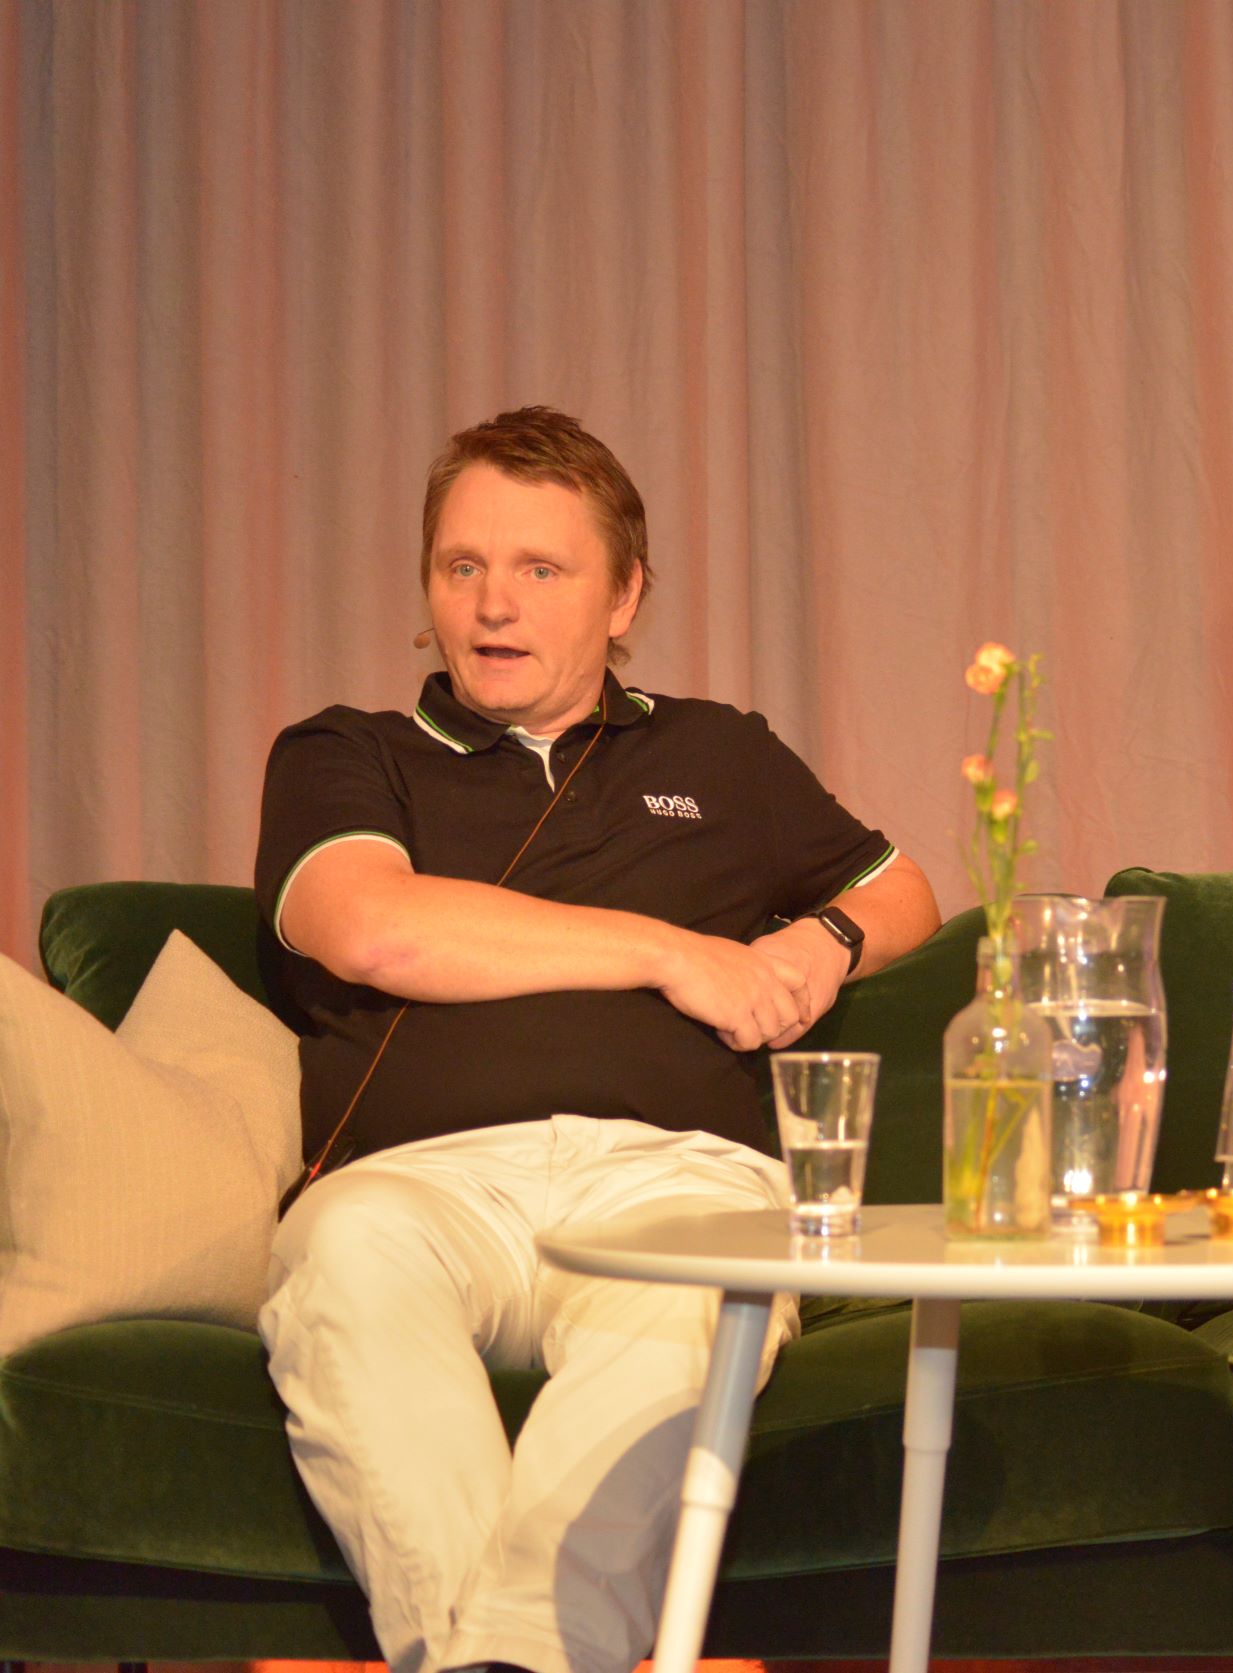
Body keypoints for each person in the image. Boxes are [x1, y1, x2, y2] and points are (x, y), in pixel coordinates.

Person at [252, 407, 942, 1673]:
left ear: (625, 594)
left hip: (673, 1173)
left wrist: (821, 942)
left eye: (539, 569)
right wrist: (676, 951)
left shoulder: (719, 751)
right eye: (462, 567)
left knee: (689, 1296)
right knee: (341, 1255)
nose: (493, 604)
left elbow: (904, 891)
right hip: (421, 1185)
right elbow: (371, 930)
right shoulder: (348, 752)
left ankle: (498, 1660)